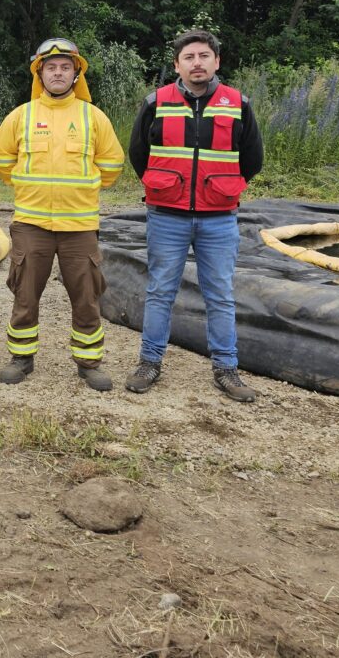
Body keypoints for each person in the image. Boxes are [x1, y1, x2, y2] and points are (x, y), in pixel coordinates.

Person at [126, 29, 264, 402]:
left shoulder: (238, 103)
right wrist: (165, 185)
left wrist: (221, 188)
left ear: (216, 61)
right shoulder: (156, 101)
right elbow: (138, 152)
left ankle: (225, 369)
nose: (197, 63)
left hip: (218, 218)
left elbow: (253, 159)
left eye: (204, 56)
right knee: (160, 292)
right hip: (167, 216)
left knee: (220, 294)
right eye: (189, 57)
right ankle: (149, 362)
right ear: (177, 65)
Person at [0, 38, 125, 391]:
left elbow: (111, 165)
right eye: (51, 67)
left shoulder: (92, 116)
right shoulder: (21, 115)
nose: (58, 72)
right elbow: (2, 161)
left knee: (86, 296)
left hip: (79, 225)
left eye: (66, 66)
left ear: (77, 72)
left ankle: (88, 362)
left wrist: (79, 191)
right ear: (40, 73)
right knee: (25, 293)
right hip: (31, 223)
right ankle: (21, 358)